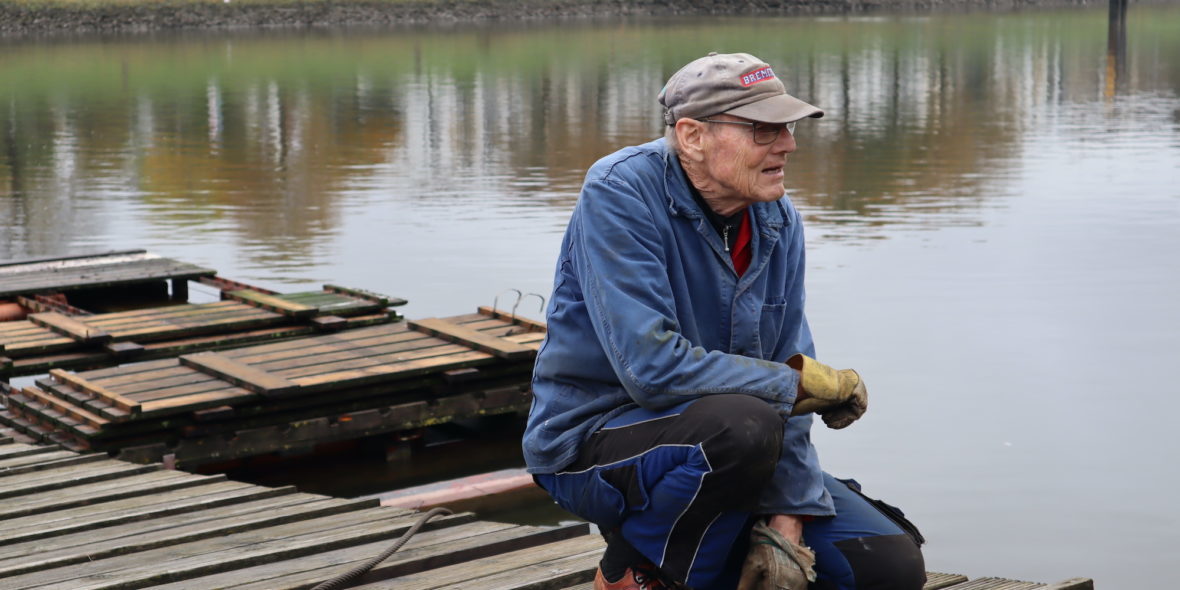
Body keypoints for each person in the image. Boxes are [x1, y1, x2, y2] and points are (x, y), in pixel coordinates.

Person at [521, 52, 926, 590]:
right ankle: (633, 572)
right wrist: (794, 384)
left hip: (732, 444)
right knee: (744, 425)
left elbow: (789, 373)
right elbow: (651, 368)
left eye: (786, 127)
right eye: (764, 129)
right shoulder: (619, 191)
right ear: (691, 136)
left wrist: (788, 517)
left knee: (884, 567)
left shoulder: (776, 218)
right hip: (594, 441)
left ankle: (721, 542)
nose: (787, 143)